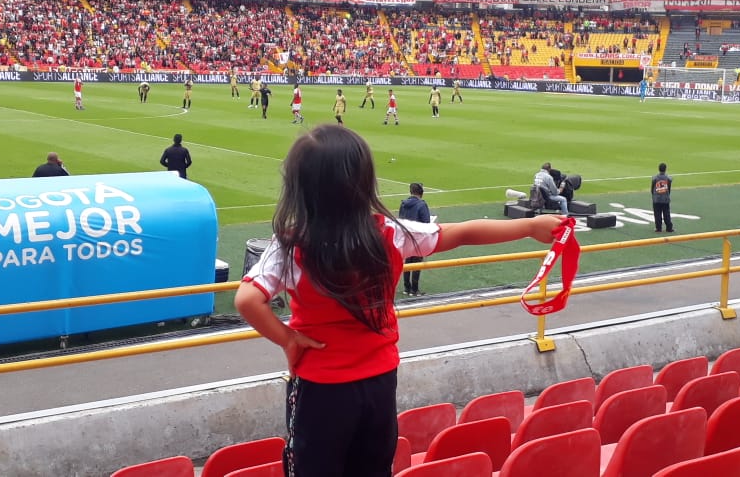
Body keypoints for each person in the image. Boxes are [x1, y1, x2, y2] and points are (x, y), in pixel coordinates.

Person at [234, 125, 563, 477]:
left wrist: (288, 339)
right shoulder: (390, 233)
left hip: (320, 388)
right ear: (363, 181)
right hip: (379, 382)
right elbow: (463, 232)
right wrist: (530, 227)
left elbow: (247, 300)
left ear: (299, 187)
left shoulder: (290, 244)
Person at [398, 182, 431, 296]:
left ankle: (407, 288)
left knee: (408, 262)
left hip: (406, 237)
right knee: (416, 263)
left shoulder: (403, 204)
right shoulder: (422, 205)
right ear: (421, 192)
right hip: (418, 239)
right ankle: (414, 289)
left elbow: (400, 220)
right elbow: (426, 222)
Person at [651, 162, 674, 233]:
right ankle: (669, 228)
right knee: (666, 213)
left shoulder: (655, 178)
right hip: (665, 199)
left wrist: (654, 195)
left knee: (657, 214)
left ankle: (658, 228)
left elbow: (652, 188)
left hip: (657, 199)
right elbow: (669, 188)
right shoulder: (668, 178)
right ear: (665, 169)